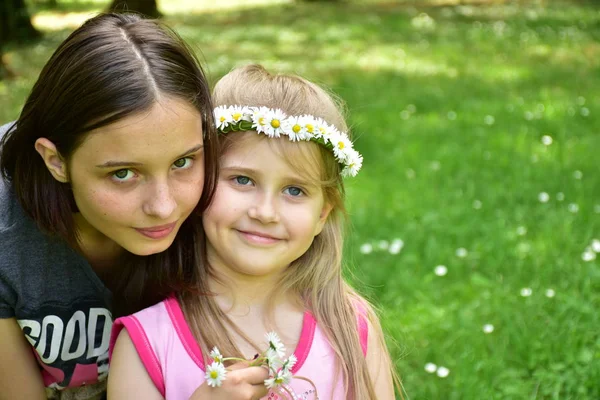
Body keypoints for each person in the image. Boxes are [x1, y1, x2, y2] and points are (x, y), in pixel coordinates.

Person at [108, 64, 399, 400]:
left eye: (294, 190)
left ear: (322, 214)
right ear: (202, 184)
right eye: (242, 180)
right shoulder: (148, 343)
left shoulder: (352, 330)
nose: (264, 212)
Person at [0, 13, 219, 400]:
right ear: (56, 161)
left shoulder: (227, 204)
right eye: (123, 174)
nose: (164, 207)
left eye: (183, 162)